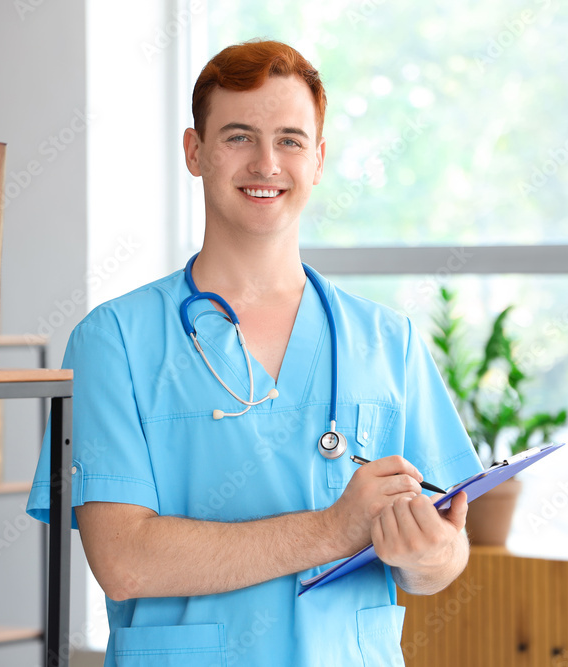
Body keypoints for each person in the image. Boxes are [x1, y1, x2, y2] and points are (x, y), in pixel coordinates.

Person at [27, 39, 482, 666]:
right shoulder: (115, 341)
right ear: (196, 152)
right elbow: (125, 562)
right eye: (239, 137)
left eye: (291, 140)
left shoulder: (387, 342)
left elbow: (442, 560)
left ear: (318, 160)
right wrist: (332, 529)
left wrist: (426, 554)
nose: (267, 162)